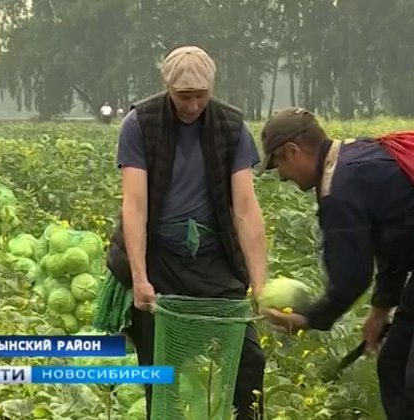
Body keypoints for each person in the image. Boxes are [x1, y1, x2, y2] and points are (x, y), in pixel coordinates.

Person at [255, 108, 414, 420]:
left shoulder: (339, 189)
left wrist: (310, 319)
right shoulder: (353, 155)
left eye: (278, 163)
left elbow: (352, 276)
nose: (281, 175)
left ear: (293, 151)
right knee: (395, 364)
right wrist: (380, 309)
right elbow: (395, 237)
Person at [103, 46, 268, 420]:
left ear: (212, 87)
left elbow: (245, 208)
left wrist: (260, 284)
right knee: (161, 372)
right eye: (184, 97)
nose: (193, 106)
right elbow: (135, 205)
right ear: (167, 88)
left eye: (201, 96)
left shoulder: (231, 126)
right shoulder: (140, 124)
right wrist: (141, 278)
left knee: (249, 360)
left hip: (214, 260)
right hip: (160, 259)